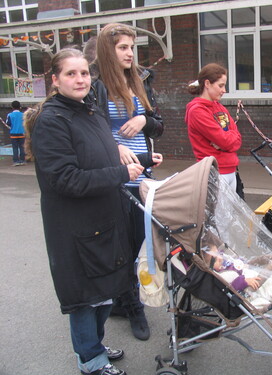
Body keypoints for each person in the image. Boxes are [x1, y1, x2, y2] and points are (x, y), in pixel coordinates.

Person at [28, 48, 143, 375]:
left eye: (84, 73)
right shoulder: (52, 120)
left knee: (103, 294)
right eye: (71, 74)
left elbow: (103, 157)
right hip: (77, 228)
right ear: (55, 79)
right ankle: (91, 361)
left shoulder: (88, 110)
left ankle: (94, 345)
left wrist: (142, 163)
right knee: (85, 298)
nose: (80, 79)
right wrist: (123, 175)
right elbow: (65, 180)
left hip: (103, 221)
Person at [89, 23, 164, 341]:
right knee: (121, 245)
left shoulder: (140, 81)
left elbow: (159, 125)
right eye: (123, 47)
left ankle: (125, 301)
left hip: (142, 175)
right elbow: (88, 131)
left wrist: (144, 118)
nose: (130, 53)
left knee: (137, 243)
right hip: (113, 179)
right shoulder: (95, 86)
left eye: (132, 47)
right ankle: (132, 306)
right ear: (108, 50)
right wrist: (113, 144)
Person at [185, 63, 242, 192]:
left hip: (230, 170)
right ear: (207, 84)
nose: (224, 90)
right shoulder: (197, 110)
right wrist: (227, 140)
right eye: (220, 85)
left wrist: (226, 141)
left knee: (229, 212)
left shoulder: (219, 106)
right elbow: (225, 140)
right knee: (217, 212)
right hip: (214, 172)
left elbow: (237, 139)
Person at [202, 247, 272, 310]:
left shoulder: (223, 264)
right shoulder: (221, 275)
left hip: (254, 277)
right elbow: (230, 286)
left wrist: (243, 263)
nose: (220, 258)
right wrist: (244, 281)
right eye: (216, 259)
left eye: (219, 254)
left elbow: (237, 265)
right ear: (209, 266)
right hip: (252, 289)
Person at [6, 100, 25, 166]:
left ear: (12, 107)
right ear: (20, 107)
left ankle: (16, 161)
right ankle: (22, 160)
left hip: (13, 134)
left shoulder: (10, 115)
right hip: (22, 133)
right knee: (22, 147)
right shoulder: (23, 115)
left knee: (15, 148)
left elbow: (8, 123)